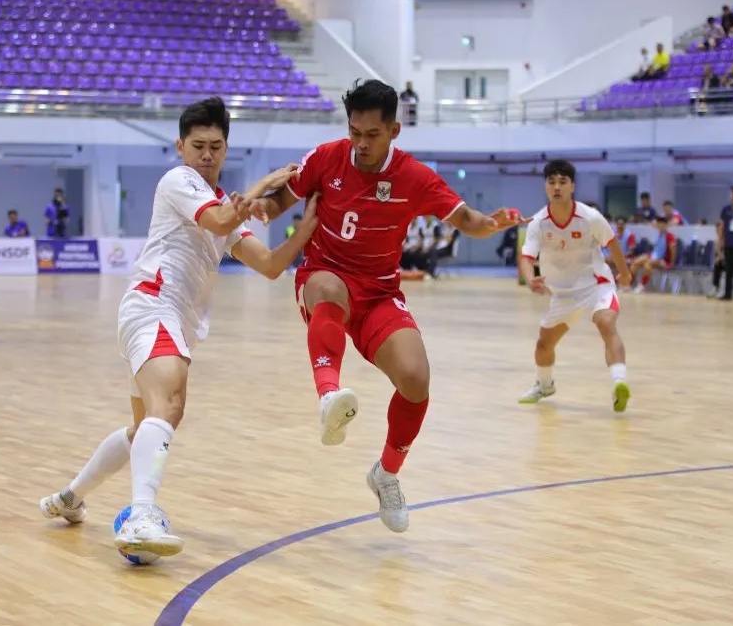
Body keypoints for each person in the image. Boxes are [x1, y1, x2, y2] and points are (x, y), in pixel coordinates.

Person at [38, 97, 318, 559]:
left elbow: (268, 265)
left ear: (226, 149)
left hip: (164, 317)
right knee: (169, 406)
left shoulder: (217, 203)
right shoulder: (180, 180)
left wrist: (306, 227)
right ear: (181, 146)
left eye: (216, 146)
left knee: (142, 427)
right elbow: (226, 217)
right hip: (155, 307)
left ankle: (70, 497)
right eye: (199, 145)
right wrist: (268, 182)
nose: (207, 155)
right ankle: (143, 515)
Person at [244, 79, 523, 534]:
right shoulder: (327, 157)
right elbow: (280, 202)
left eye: (371, 135)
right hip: (325, 273)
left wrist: (493, 225)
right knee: (329, 290)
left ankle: (386, 474)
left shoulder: (415, 177)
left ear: (395, 130)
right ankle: (329, 396)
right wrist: (259, 207)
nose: (360, 144)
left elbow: (467, 220)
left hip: (380, 292)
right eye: (354, 131)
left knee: (416, 379)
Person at [516, 160, 633, 411]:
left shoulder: (589, 216)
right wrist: (529, 277)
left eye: (562, 182)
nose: (557, 187)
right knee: (543, 345)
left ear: (572, 186)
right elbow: (526, 257)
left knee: (606, 323)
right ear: (546, 187)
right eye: (551, 182)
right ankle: (544, 385)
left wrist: (624, 274)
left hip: (595, 284)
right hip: (563, 295)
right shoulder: (538, 222)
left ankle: (619, 383)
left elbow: (612, 243)